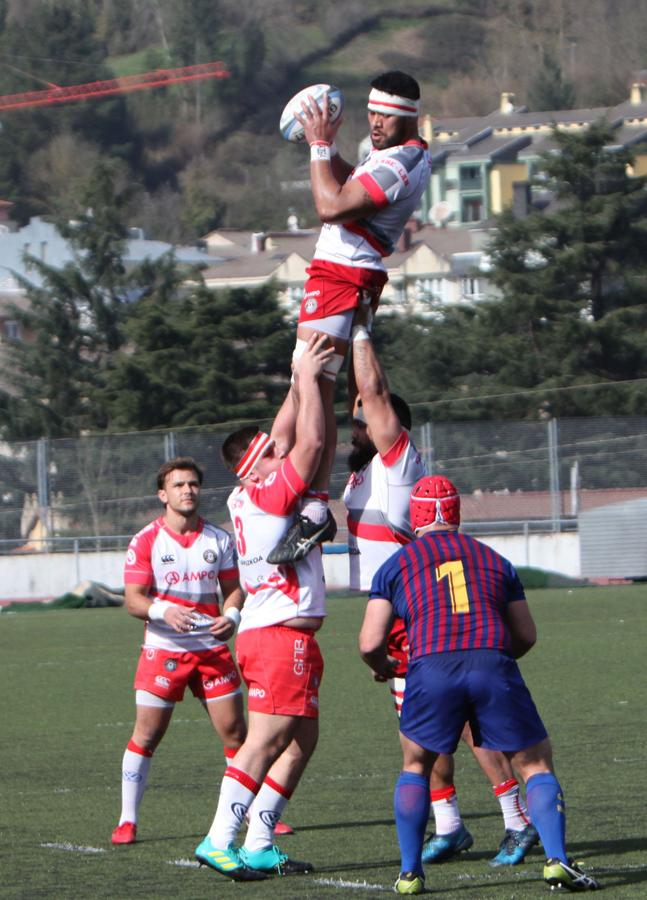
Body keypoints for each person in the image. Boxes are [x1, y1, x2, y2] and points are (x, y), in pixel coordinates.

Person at [345, 312, 538, 867]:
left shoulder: (397, 463)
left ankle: (516, 820)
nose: (354, 426)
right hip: (397, 618)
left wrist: (358, 331)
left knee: (473, 725)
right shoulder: (363, 474)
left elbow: (374, 391)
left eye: (361, 420)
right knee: (421, 736)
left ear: (389, 428)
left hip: (424, 615)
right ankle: (451, 825)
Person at [358, 475, 600, 895]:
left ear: (413, 516)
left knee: (416, 764)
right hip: (492, 662)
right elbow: (525, 634)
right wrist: (495, 665)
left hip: (429, 667)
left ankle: (410, 874)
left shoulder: (395, 565)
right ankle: (558, 860)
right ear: (456, 513)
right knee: (535, 763)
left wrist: (386, 665)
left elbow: (369, 642)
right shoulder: (494, 559)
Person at [268, 69, 432, 565]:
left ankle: (315, 507)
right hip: (340, 273)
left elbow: (330, 206)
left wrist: (319, 146)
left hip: (342, 274)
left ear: (408, 119)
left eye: (385, 116)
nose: (376, 123)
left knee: (311, 383)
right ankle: (298, 488)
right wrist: (328, 148)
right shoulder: (389, 155)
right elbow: (346, 185)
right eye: (372, 114)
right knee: (309, 385)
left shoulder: (400, 165)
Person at [195, 333, 333, 881]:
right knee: (266, 741)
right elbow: (315, 442)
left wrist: (300, 369)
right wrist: (310, 381)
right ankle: (218, 838)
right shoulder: (269, 493)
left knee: (302, 739)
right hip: (278, 635)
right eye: (271, 452)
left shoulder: (244, 492)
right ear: (257, 466)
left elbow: (283, 431)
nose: (281, 449)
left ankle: (258, 840)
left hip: (277, 633)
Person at [112, 456, 247, 845]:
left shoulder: (219, 539)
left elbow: (233, 588)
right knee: (147, 735)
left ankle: (253, 817)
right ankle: (128, 820)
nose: (187, 491)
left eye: (193, 484)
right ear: (162, 494)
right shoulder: (146, 540)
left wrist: (233, 616)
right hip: (163, 649)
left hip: (211, 648)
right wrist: (163, 611)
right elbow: (134, 600)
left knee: (236, 734)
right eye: (178, 485)